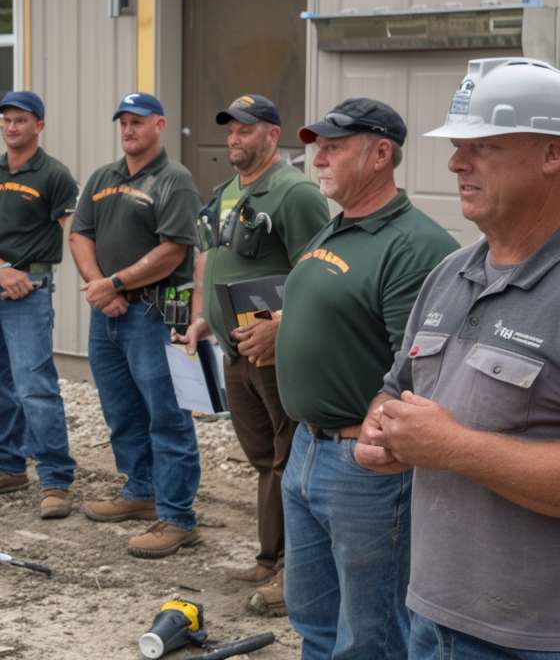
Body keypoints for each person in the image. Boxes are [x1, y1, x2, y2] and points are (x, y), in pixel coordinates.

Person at [356, 58, 560, 658]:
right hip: (434, 614)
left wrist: (452, 448)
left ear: (551, 154)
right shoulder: (451, 273)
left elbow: (449, 442)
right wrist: (382, 427)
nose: (455, 163)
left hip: (533, 637)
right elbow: (397, 387)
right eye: (456, 146)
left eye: (482, 146)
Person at [271, 97, 457, 658]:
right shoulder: (337, 230)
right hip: (307, 449)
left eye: (334, 147)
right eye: (316, 147)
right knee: (314, 621)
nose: (318, 158)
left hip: (364, 469)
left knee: (370, 635)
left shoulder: (414, 245)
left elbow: (419, 367)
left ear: (380, 154)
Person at [173, 94, 329, 608]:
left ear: (272, 135)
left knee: (289, 459)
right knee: (265, 460)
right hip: (236, 349)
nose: (235, 138)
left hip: (273, 351)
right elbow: (215, 262)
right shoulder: (226, 192)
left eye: (246, 129)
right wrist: (203, 321)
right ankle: (269, 559)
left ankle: (295, 572)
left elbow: (318, 274)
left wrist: (281, 331)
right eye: (231, 130)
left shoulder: (294, 193)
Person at [72, 92, 204, 558]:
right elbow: (79, 233)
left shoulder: (176, 180)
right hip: (107, 311)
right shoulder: (102, 178)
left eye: (138, 122)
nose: (128, 130)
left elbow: (174, 250)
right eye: (123, 122)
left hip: (154, 310)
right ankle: (141, 491)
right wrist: (98, 286)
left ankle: (177, 516)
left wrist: (117, 283)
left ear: (159, 126)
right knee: (121, 409)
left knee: (166, 415)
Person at [0, 90, 80, 520]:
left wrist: (23, 275)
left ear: (38, 126)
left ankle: (56, 479)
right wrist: (0, 270)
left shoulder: (54, 175)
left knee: (35, 386)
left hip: (30, 288)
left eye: (21, 120)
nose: (11, 127)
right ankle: (7, 466)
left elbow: (74, 230)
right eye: (6, 120)